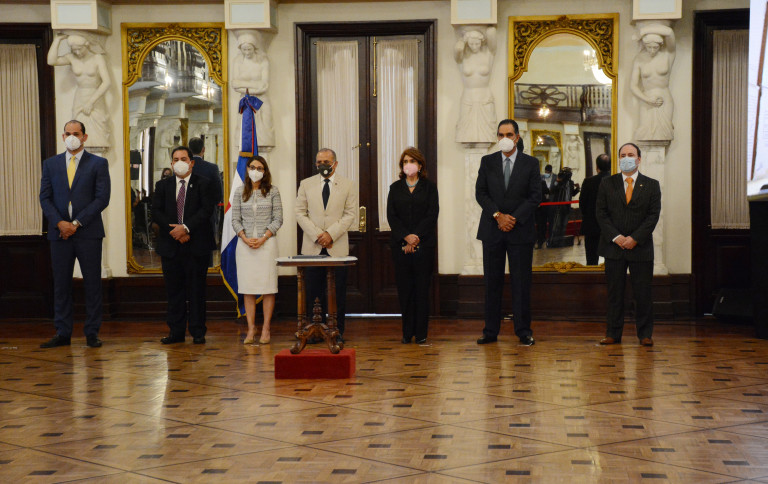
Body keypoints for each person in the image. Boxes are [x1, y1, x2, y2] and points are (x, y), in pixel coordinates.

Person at [39, 120, 111, 348]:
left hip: (88, 233)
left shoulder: (98, 163)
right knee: (61, 284)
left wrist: (76, 223)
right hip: (59, 234)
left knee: (92, 283)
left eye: (76, 133)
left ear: (84, 137)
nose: (72, 137)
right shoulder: (51, 164)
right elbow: (45, 197)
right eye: (68, 133)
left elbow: (102, 198)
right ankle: (62, 332)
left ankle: (92, 332)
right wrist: (60, 223)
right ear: (63, 137)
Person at [475, 119, 542, 346]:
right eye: (501, 135)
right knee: (491, 282)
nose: (505, 139)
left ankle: (523, 331)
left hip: (520, 230)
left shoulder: (531, 163)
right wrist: (498, 216)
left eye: (509, 134)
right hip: (492, 229)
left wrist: (513, 218)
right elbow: (481, 193)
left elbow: (535, 196)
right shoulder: (487, 161)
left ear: (517, 137)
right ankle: (490, 331)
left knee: (521, 283)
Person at [596, 142, 661, 346]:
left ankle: (645, 334)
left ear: (639, 159)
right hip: (613, 247)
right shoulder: (607, 183)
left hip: (640, 247)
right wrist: (616, 237)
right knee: (615, 293)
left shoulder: (652, 185)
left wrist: (635, 238)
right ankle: (613, 333)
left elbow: (653, 216)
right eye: (623, 155)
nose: (626, 158)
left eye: (630, 155)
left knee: (643, 293)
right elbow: (601, 213)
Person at [152, 146, 216, 344]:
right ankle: (176, 332)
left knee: (197, 291)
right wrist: (175, 231)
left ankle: (198, 331)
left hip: (197, 246)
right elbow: (156, 212)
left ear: (191, 162)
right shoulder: (162, 186)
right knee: (174, 292)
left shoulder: (204, 183)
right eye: (176, 159)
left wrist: (186, 228)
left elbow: (206, 210)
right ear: (171, 163)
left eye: (183, 158)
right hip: (171, 246)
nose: (179, 162)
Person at [295, 148, 357, 344]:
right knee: (314, 291)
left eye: (326, 162)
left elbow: (350, 214)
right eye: (319, 162)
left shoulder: (348, 185)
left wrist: (330, 234)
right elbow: (300, 213)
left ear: (335, 164)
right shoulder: (306, 184)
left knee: (337, 292)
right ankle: (315, 331)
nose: (322, 165)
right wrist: (317, 235)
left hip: (337, 246)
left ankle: (336, 331)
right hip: (312, 247)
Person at [386, 147, 439, 344]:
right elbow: (392, 216)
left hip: (424, 246)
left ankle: (421, 333)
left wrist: (415, 237)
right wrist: (405, 237)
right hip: (400, 247)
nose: (409, 164)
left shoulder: (430, 187)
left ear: (420, 165)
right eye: (405, 161)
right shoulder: (395, 188)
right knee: (405, 290)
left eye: (412, 161)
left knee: (421, 290)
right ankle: (407, 332)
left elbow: (432, 214)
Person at [231, 156, 283, 345]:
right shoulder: (239, 191)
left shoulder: (273, 191)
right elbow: (235, 219)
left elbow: (278, 219)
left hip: (266, 244)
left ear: (265, 171)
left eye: (259, 168)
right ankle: (251, 328)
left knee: (268, 287)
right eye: (252, 167)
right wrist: (244, 237)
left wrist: (263, 237)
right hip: (245, 246)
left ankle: (266, 328)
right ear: (247, 169)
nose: (255, 170)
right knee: (248, 288)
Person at [47, 33, 111, 147]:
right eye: (74, 49)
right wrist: (57, 40)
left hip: (95, 97)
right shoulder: (71, 58)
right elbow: (51, 61)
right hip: (80, 96)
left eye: (79, 49)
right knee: (78, 127)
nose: (77, 52)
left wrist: (91, 102)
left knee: (99, 129)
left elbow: (106, 82)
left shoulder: (97, 58)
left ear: (87, 45)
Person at [630, 24, 675, 141]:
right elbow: (633, 86)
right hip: (647, 101)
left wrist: (644, 31)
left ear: (661, 45)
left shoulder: (668, 55)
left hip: (664, 100)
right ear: (645, 45)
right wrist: (648, 100)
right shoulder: (639, 59)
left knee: (664, 134)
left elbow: (669, 32)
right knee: (644, 134)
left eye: (655, 47)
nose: (652, 50)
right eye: (649, 47)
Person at [454, 27, 497, 143]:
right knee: (465, 133)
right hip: (468, 96)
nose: (474, 46)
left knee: (487, 134)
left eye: (477, 43)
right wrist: (463, 39)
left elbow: (492, 32)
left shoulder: (489, 54)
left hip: (485, 96)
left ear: (481, 42)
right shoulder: (463, 56)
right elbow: (457, 49)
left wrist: (488, 25)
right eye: (471, 44)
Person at [232, 31, 274, 147]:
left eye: (249, 49)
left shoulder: (263, 60)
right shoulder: (238, 61)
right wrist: (255, 86)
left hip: (261, 99)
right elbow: (234, 84)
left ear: (254, 47)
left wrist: (244, 86)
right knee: (245, 132)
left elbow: (264, 86)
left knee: (265, 128)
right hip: (245, 100)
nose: (247, 52)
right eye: (244, 49)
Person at [188, 136, 223, 257]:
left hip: (187, 215)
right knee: (205, 251)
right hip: (207, 215)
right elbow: (218, 194)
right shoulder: (212, 168)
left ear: (189, 150)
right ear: (203, 149)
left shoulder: (184, 167)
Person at [580, 154, 611, 265]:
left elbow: (582, 205)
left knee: (591, 260)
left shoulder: (588, 182)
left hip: (591, 226)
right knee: (611, 260)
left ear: (597, 166)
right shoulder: (615, 182)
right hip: (610, 228)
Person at [536, 164, 554, 249]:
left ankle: (539, 240)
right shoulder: (542, 182)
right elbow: (547, 191)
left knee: (539, 224)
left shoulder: (531, 181)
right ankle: (541, 239)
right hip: (542, 206)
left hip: (536, 207)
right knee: (542, 224)